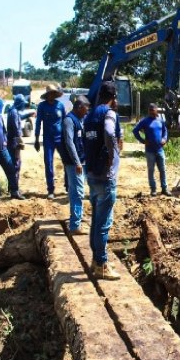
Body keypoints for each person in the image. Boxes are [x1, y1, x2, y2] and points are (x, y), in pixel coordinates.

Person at [84, 81, 121, 280]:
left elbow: (85, 140)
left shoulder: (90, 115)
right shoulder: (109, 113)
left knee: (96, 221)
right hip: (106, 177)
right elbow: (108, 132)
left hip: (91, 174)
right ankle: (102, 265)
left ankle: (95, 260)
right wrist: (111, 152)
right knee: (104, 223)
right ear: (113, 97)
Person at [63, 95, 90, 235]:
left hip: (82, 161)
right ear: (79, 107)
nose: (87, 111)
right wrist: (77, 162)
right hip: (74, 163)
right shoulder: (69, 120)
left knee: (77, 191)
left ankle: (77, 218)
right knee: (78, 192)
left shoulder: (81, 119)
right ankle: (75, 225)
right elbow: (69, 142)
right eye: (86, 108)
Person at [34, 84, 67, 199]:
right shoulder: (42, 106)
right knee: (48, 163)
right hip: (48, 139)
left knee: (66, 161)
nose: (51, 96)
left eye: (53, 93)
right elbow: (38, 122)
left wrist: (68, 137)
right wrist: (36, 139)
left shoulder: (60, 106)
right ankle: (50, 190)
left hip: (60, 138)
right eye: (49, 94)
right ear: (47, 95)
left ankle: (68, 185)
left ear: (55, 94)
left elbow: (65, 122)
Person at [133, 103, 170, 196]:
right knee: (151, 170)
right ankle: (153, 189)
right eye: (150, 110)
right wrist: (142, 140)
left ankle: (164, 188)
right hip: (150, 151)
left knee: (162, 170)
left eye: (153, 110)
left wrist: (164, 139)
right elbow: (135, 130)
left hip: (160, 150)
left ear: (156, 110)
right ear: (148, 111)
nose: (151, 112)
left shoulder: (160, 121)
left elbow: (165, 131)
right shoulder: (145, 121)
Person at [7, 94, 27, 188]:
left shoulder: (12, 111)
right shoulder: (14, 112)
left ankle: (11, 187)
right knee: (16, 164)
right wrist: (20, 141)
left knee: (13, 165)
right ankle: (14, 189)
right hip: (14, 143)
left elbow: (20, 118)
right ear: (20, 103)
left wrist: (29, 114)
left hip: (11, 142)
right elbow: (16, 128)